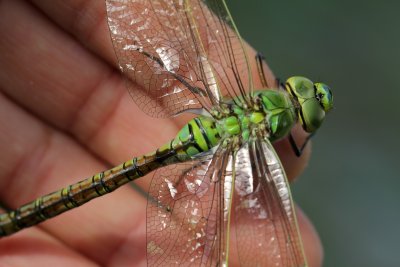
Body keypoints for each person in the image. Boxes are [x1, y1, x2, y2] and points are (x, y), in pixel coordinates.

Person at [0, 1, 322, 266]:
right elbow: (293, 149)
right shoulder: (274, 140)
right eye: (301, 91)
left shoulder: (252, 88)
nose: (305, 93)